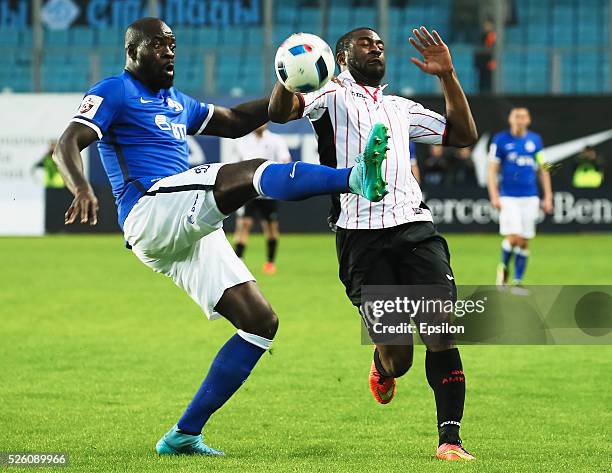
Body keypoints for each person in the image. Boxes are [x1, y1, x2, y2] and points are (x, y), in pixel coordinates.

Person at [52, 17, 389, 457]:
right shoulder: (115, 90)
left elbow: (233, 121)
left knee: (260, 324)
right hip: (150, 209)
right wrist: (80, 185)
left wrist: (288, 85)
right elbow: (67, 142)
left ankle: (183, 435)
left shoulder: (175, 102)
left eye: (173, 45)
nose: (170, 52)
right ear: (132, 51)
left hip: (184, 227)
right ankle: (354, 178)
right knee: (249, 173)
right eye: (158, 45)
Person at [269, 26, 478, 460]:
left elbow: (462, 135)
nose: (377, 47)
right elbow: (282, 112)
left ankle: (450, 440)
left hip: (415, 229)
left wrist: (448, 76)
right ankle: (383, 364)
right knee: (399, 358)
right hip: (360, 237)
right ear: (342, 55)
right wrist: (289, 71)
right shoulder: (328, 95)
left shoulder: (399, 106)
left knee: (441, 332)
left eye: (381, 44)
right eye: (366, 42)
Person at [488, 107, 553, 286]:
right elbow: (492, 170)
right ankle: (503, 267)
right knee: (514, 236)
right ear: (510, 119)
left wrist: (548, 196)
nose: (519, 120)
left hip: (530, 196)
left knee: (524, 241)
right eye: (516, 116)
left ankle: (517, 280)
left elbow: (544, 169)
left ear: (528, 120)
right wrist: (494, 195)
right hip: (508, 196)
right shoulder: (500, 140)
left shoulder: (535, 140)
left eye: (523, 116)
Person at [232, 124, 292, 274]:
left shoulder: (276, 140)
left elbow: (285, 161)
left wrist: (278, 181)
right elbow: (237, 165)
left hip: (269, 191)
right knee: (243, 223)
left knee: (270, 226)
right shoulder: (243, 141)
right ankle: (238, 260)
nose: (259, 124)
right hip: (248, 191)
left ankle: (270, 262)